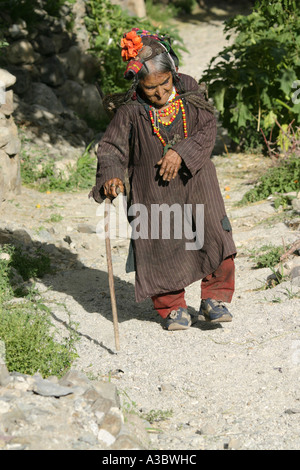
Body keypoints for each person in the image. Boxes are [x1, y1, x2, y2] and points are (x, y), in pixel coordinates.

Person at [90, 28, 237, 331]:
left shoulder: (190, 90)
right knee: (161, 243)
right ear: (138, 85)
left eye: (164, 83)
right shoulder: (131, 109)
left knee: (213, 231)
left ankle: (215, 298)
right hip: (152, 189)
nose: (159, 93)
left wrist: (182, 152)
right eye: (150, 88)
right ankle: (172, 307)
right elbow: (111, 148)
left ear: (174, 72)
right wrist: (111, 177)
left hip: (197, 179)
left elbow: (208, 128)